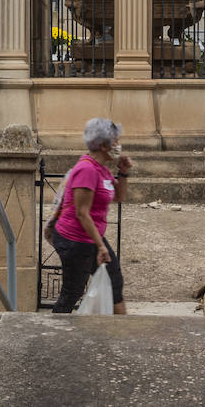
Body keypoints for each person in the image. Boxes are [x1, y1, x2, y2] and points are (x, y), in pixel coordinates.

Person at [51, 117, 133, 313]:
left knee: (114, 282)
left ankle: (123, 336)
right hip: (74, 240)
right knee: (72, 292)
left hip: (91, 237)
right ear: (104, 145)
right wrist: (100, 246)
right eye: (116, 141)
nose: (118, 145)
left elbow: (119, 197)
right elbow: (82, 213)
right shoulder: (87, 170)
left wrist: (123, 173)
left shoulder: (102, 169)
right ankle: (52, 333)